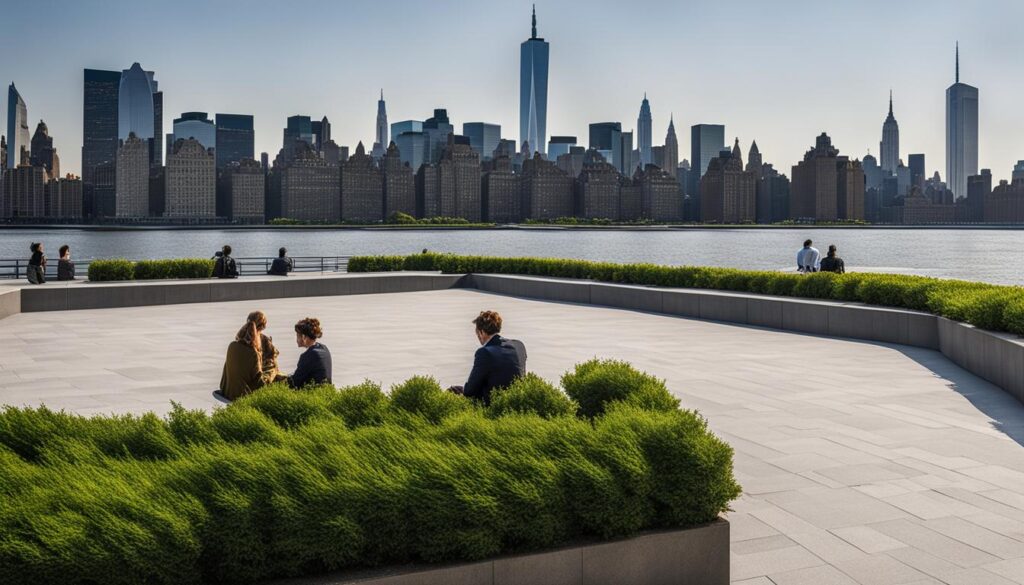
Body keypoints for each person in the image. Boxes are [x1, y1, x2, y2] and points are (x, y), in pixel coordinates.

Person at [449, 310, 527, 405]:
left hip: (494, 403)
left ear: (482, 332)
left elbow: (470, 391)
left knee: (453, 391)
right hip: (518, 399)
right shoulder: (519, 345)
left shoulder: (485, 353)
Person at [219, 311, 276, 400]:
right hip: (242, 395)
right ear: (262, 328)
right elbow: (259, 384)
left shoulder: (232, 345)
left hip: (226, 391)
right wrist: (272, 371)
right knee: (277, 379)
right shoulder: (252, 353)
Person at [288, 317, 332, 388]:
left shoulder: (308, 355)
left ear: (303, 337)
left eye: (297, 336)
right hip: (326, 391)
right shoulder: (324, 348)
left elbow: (295, 382)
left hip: (313, 394)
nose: (296, 339)